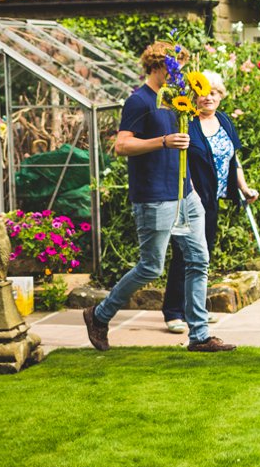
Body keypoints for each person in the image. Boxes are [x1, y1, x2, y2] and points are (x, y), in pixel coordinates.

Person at [83, 42, 235, 353]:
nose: (178, 75)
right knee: (151, 267)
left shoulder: (175, 101)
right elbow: (122, 146)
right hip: (154, 196)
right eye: (173, 68)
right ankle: (99, 315)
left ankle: (200, 336)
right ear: (155, 66)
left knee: (199, 261)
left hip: (186, 193)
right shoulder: (139, 101)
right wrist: (163, 141)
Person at [163, 70, 258, 333]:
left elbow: (233, 161)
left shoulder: (225, 122)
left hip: (213, 199)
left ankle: (196, 311)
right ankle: (173, 312)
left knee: (203, 256)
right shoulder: (187, 123)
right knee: (184, 254)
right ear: (194, 95)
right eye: (204, 91)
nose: (209, 97)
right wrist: (188, 192)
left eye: (214, 92)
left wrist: (245, 188)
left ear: (221, 96)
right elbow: (179, 162)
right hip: (190, 199)